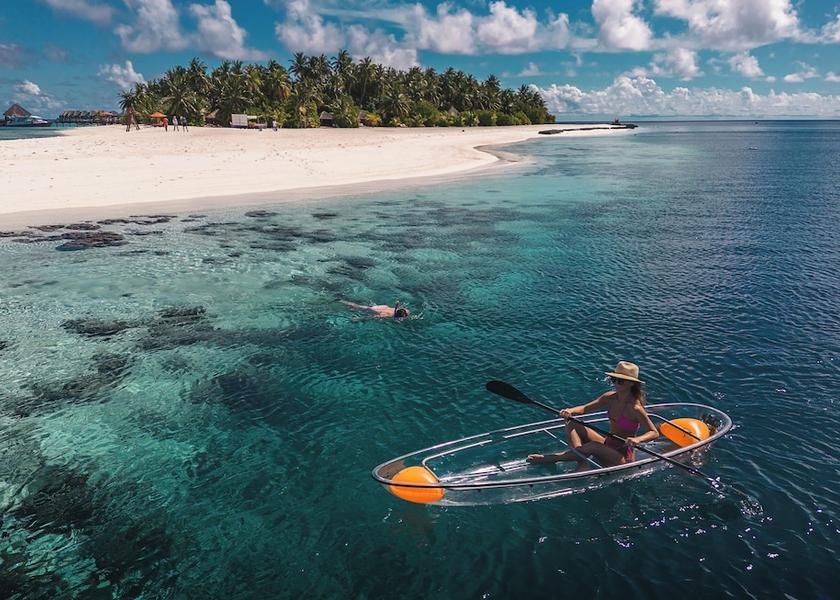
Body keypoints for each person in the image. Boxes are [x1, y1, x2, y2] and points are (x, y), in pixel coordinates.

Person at [527, 361, 659, 471]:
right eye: (614, 380)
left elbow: (653, 432)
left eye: (621, 381)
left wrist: (638, 440)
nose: (616, 384)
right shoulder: (609, 397)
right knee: (572, 422)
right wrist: (570, 411)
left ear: (631, 383)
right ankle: (581, 460)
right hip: (608, 443)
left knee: (594, 446)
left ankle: (552, 458)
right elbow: (585, 408)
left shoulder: (635, 408)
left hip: (622, 455)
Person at [340, 299, 409, 319]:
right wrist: (359, 319)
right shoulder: (390, 315)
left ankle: (343, 302)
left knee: (358, 306)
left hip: (380, 307)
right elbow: (375, 316)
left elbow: (398, 307)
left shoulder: (396, 309)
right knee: (357, 306)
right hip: (373, 310)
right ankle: (341, 301)